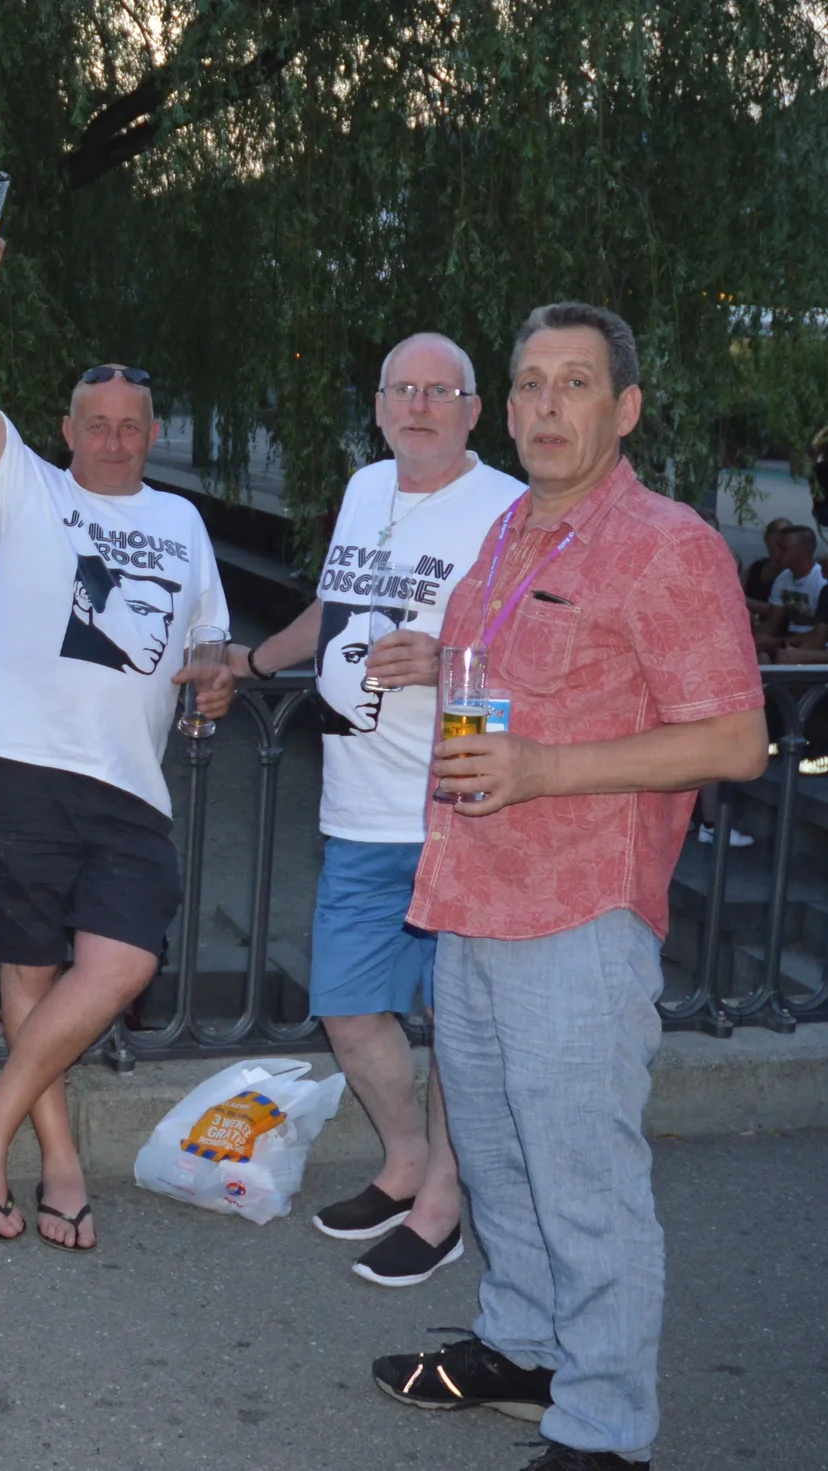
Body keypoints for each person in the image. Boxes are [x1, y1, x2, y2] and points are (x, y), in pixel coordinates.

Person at [372, 304, 767, 1471]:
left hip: (579, 915)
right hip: (472, 895)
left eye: (575, 384)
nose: (547, 405)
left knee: (585, 1181)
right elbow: (498, 676)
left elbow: (738, 739)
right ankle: (522, 1345)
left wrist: (545, 769)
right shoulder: (508, 532)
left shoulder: (667, 544)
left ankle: (603, 1427)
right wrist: (428, 663)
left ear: (623, 408)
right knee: (496, 1159)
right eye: (531, 383)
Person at [0, 220, 233, 1253]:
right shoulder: (29, 495)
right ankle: (53, 1164)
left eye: (130, 424)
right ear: (63, 431)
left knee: (121, 963)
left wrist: (218, 681)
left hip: (132, 786)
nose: (112, 437)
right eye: (94, 422)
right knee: (28, 976)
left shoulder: (185, 526)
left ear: (151, 433)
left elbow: (209, 645)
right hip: (16, 763)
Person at [224, 333, 524, 1287]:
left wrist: (445, 659)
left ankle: (444, 1201)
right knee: (351, 1007)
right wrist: (254, 661)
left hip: (456, 806)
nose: (420, 405)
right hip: (357, 802)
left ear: (474, 409)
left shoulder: (509, 507)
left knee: (459, 1027)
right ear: (382, 403)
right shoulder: (364, 487)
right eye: (403, 389)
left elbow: (539, 645)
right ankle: (403, 1162)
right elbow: (335, 604)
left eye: (441, 390)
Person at [753, 524, 825, 661]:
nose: (776, 553)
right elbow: (772, 624)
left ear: (804, 552)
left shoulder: (821, 582)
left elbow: (821, 634)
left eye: (783, 548)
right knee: (760, 656)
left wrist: (778, 642)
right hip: (790, 641)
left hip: (816, 647)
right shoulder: (784, 577)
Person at [739, 517, 790, 604]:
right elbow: (739, 590)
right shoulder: (756, 567)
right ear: (766, 536)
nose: (781, 536)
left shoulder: (791, 571)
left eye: (786, 532)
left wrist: (742, 601)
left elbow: (778, 608)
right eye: (777, 532)